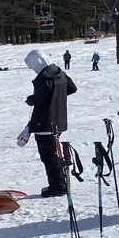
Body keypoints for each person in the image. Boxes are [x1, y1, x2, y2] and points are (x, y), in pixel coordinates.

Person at [24, 49, 77, 197]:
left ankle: (57, 186)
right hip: (59, 119)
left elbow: (39, 99)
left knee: (48, 156)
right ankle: (60, 182)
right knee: (55, 153)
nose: (32, 69)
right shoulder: (59, 72)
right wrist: (57, 96)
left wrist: (31, 100)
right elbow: (72, 88)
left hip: (44, 122)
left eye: (31, 66)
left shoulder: (43, 79)